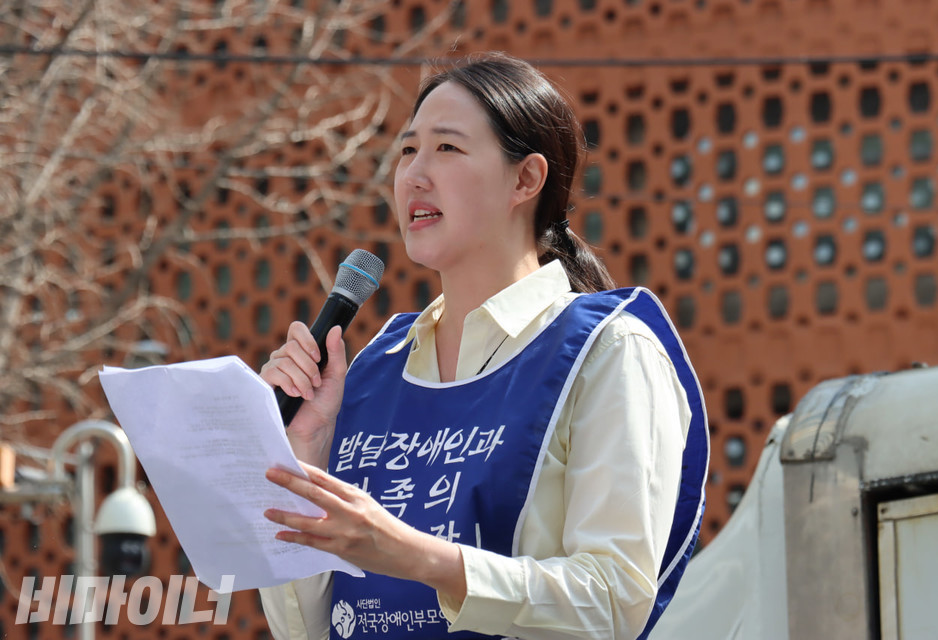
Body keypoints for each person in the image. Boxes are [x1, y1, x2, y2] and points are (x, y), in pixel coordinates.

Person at [258, 52, 708, 640]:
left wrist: (418, 558)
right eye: (407, 150)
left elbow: (613, 605)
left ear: (525, 179)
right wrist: (305, 451)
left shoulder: (608, 350)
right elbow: (308, 630)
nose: (415, 173)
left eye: (447, 148)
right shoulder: (370, 369)